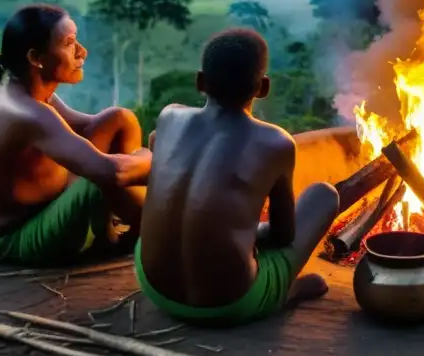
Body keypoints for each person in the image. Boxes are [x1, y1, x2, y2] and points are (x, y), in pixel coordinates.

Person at [135, 28, 340, 325]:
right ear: (263, 87)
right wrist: (254, 232)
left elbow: (158, 150)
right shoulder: (276, 143)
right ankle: (285, 291)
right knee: (324, 195)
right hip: (230, 304)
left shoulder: (169, 117)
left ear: (200, 81)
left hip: (154, 288)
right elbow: (284, 236)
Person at [0, 4, 152, 267]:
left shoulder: (27, 86)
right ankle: (152, 223)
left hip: (45, 202)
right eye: (69, 43)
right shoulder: (26, 113)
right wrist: (157, 159)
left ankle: (135, 219)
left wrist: (140, 160)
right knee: (97, 180)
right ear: (35, 58)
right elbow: (110, 172)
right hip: (15, 237)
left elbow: (85, 129)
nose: (81, 52)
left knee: (120, 119)